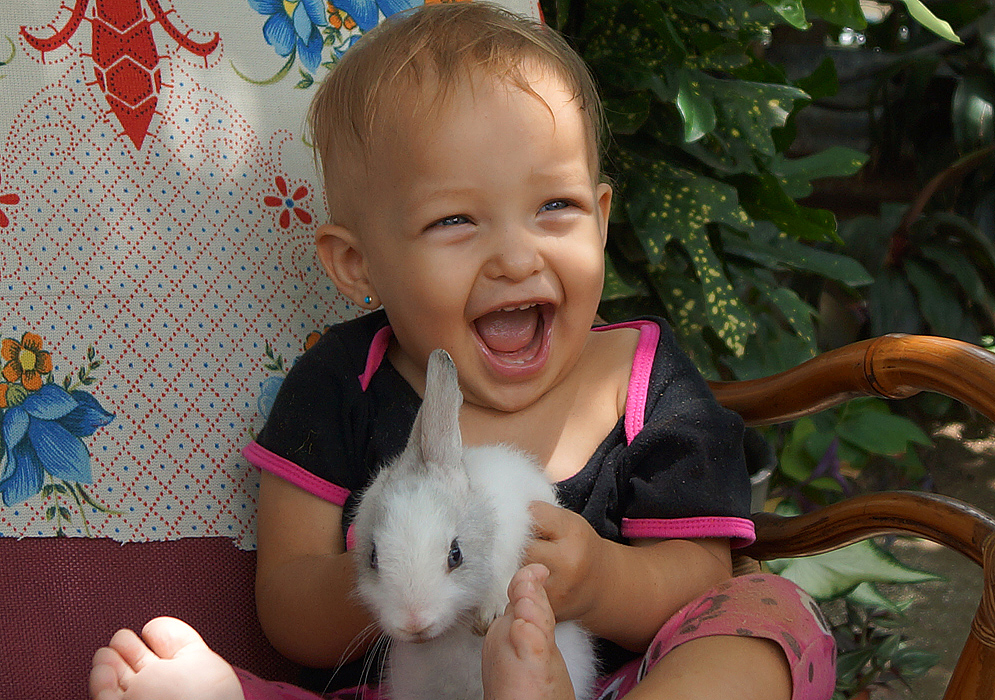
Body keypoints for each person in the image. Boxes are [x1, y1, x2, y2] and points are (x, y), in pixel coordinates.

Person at [89, 4, 835, 700]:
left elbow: (699, 576)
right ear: (358, 265)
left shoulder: (641, 381)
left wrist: (600, 581)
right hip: (411, 683)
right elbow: (284, 605)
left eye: (554, 206)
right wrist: (397, 573)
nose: (515, 256)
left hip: (612, 684)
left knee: (766, 611)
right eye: (454, 219)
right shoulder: (341, 382)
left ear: (601, 218)